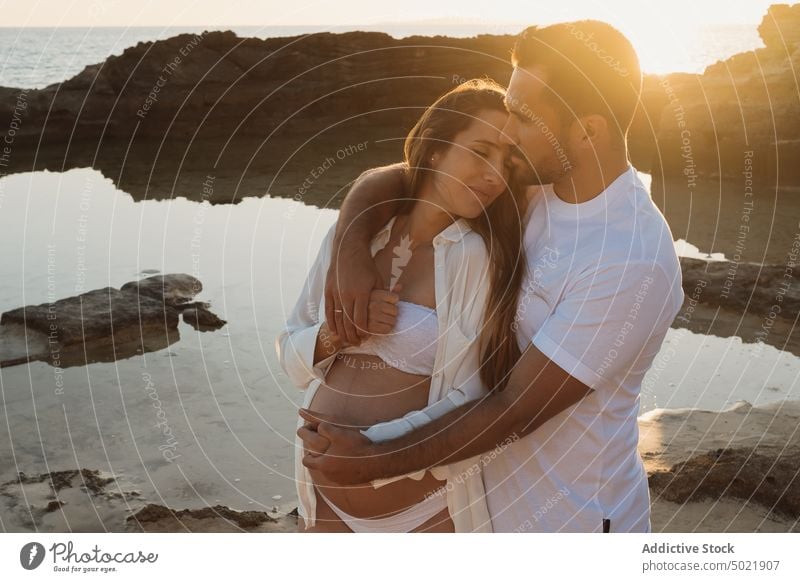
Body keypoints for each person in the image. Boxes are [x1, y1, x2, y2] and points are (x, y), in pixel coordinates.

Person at [299, 20, 685, 532]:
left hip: (567, 524)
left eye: (523, 116)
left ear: (587, 130)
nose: (509, 130)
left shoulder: (629, 259)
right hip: (480, 513)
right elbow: (412, 175)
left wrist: (372, 460)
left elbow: (514, 409)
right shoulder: (533, 184)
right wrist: (351, 246)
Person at [276, 79, 528, 532]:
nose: (495, 175)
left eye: (507, 163)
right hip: (321, 495)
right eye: (480, 152)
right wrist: (340, 330)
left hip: (420, 510)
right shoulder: (351, 238)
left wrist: (370, 448)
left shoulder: (474, 257)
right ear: (435, 150)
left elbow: (474, 396)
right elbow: (291, 352)